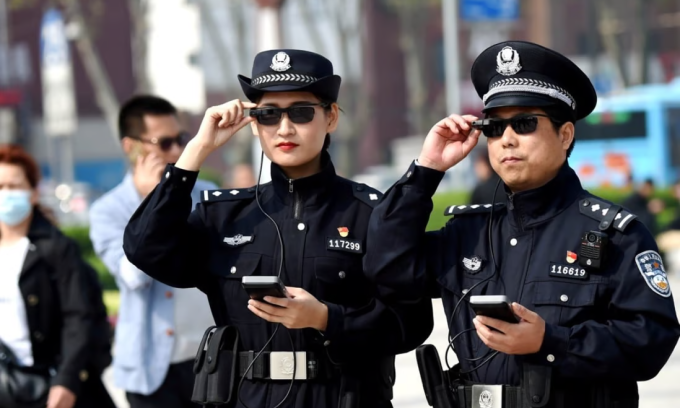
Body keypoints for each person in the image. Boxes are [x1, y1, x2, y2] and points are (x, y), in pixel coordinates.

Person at [363, 41, 680, 408]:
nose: (507, 139)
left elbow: (652, 342)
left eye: (525, 123)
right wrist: (425, 171)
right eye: (495, 127)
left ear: (565, 135)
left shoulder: (614, 233)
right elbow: (385, 267)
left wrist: (550, 342)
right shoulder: (468, 233)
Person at [122, 49, 433, 408]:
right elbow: (145, 248)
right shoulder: (225, 216)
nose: (284, 129)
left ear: (330, 117)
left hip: (343, 397)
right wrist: (196, 151)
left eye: (301, 112)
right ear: (254, 124)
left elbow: (409, 321)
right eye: (268, 115)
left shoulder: (370, 213)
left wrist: (326, 318)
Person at [89, 96, 216, 408]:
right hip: (151, 369)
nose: (176, 151)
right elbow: (134, 277)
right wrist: (152, 203)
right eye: (165, 142)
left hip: (213, 358)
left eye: (182, 140)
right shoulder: (109, 209)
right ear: (130, 146)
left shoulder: (208, 195)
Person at [0, 144, 115, 408]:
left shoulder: (57, 248)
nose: (6, 194)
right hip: (7, 385)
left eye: (14, 186)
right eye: (0, 186)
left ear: (32, 193)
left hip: (54, 387)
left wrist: (67, 380)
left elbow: (79, 316)